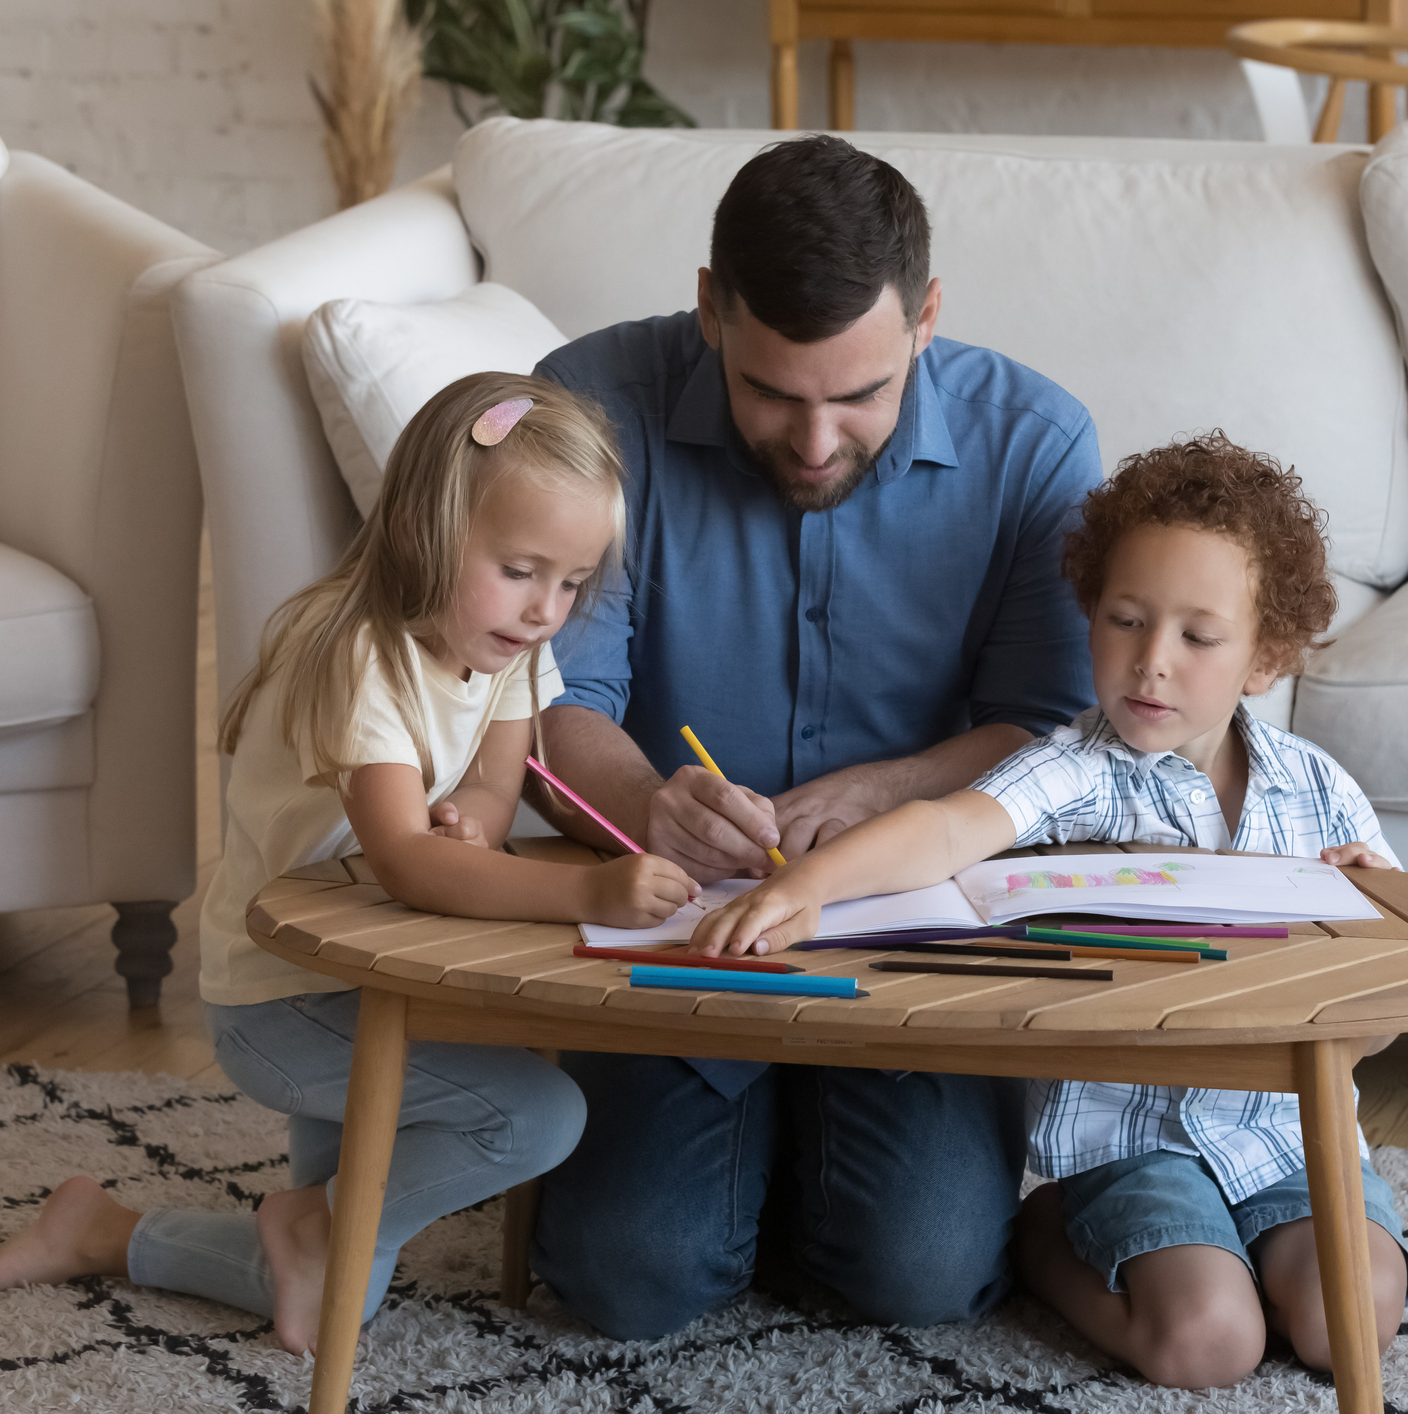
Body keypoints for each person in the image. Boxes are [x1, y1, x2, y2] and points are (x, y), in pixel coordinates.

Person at [0, 373, 698, 1353]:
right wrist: (590, 889)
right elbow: (409, 866)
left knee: (338, 1283)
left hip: (375, 968)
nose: (547, 608)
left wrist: (470, 812)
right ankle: (306, 1226)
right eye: (521, 569)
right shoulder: (357, 655)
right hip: (285, 995)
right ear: (431, 527)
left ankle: (99, 1229)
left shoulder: (503, 641)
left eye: (571, 583)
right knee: (537, 1119)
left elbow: (493, 789)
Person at [693, 432, 1408, 1389]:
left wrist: (1372, 908)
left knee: (1349, 1327)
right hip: (1129, 1144)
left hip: (1288, 1135)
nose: (1150, 663)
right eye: (1124, 620)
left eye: (1197, 638)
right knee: (1211, 1345)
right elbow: (945, 830)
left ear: (1267, 657)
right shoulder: (1075, 771)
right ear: (1089, 616)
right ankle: (1042, 1240)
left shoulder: (1320, 791)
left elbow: (1388, 1010)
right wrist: (802, 886)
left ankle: (1247, 1263)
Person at [522, 135, 1102, 1338]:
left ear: (927, 317)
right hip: (680, 919)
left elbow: (1049, 733)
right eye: (773, 393)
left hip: (913, 935)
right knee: (627, 1276)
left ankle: (803, 1152)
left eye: (861, 395)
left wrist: (891, 790)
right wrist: (647, 798)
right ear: (710, 313)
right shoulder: (591, 406)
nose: (819, 440)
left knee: (927, 1275)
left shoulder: (1035, 443)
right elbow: (551, 696)